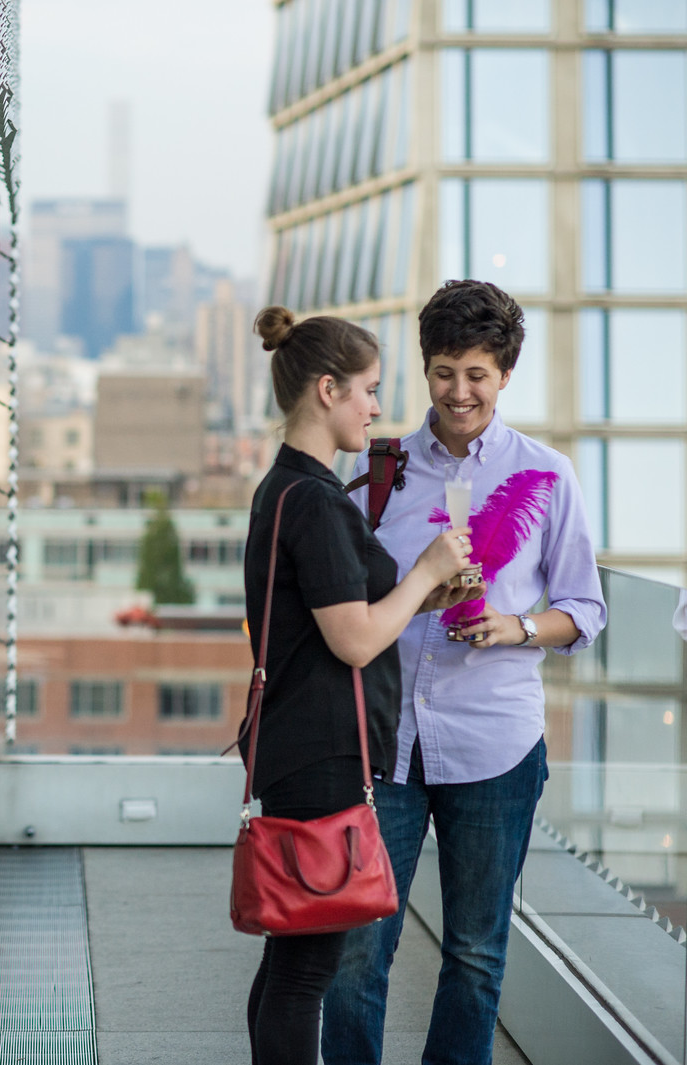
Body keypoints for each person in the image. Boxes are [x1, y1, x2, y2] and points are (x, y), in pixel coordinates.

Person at [321, 280, 608, 1065]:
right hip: (385, 747)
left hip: (497, 748)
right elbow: (344, 600)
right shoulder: (379, 472)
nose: (458, 392)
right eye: (445, 371)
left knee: (476, 960)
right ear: (426, 368)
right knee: (354, 956)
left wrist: (517, 626)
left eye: (477, 374)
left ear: (505, 374)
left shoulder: (546, 475)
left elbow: (585, 608)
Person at [242, 307, 474, 1065]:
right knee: (306, 969)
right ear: (326, 388)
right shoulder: (313, 500)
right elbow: (356, 638)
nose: (377, 407)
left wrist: (421, 591)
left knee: (290, 957)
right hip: (320, 755)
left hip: (299, 747)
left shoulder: (289, 487)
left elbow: (352, 613)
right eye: (369, 390)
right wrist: (431, 573)